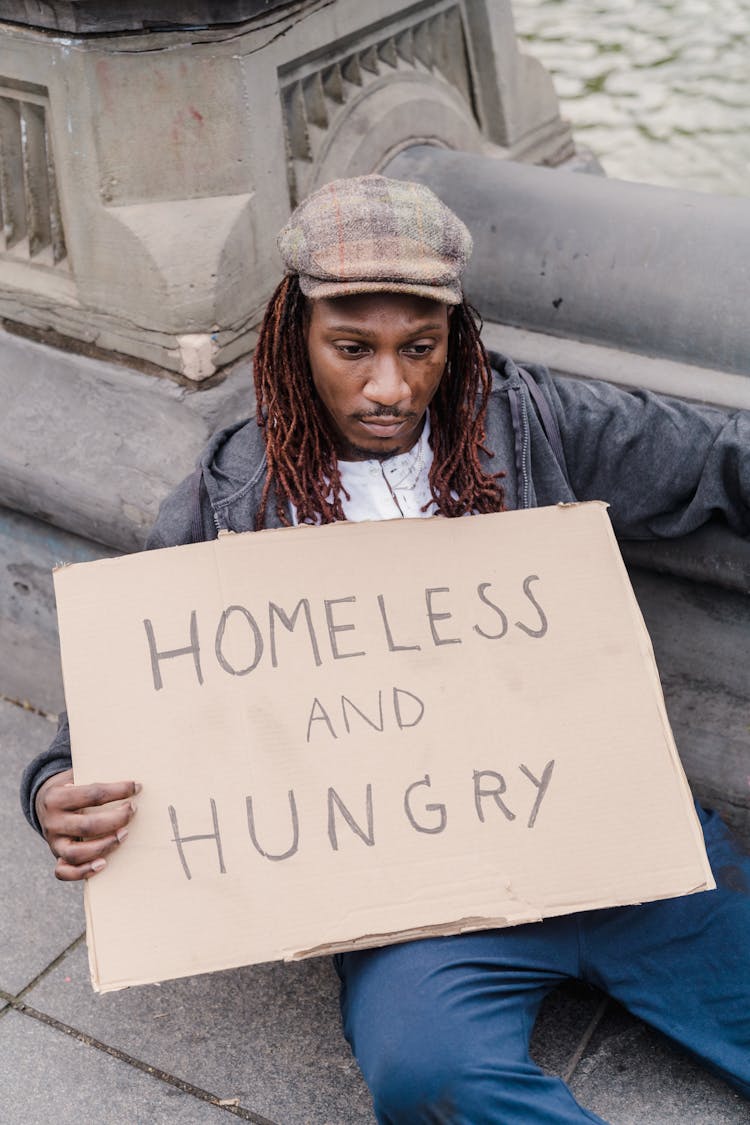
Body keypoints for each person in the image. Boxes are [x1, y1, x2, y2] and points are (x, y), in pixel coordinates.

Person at [21, 174, 750, 1123]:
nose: (389, 387)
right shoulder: (231, 497)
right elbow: (106, 712)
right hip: (419, 896)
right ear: (296, 337)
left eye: (421, 348)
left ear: (456, 339)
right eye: (352, 349)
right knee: (427, 1073)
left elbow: (713, 455)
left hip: (606, 830)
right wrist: (53, 792)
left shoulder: (525, 420)